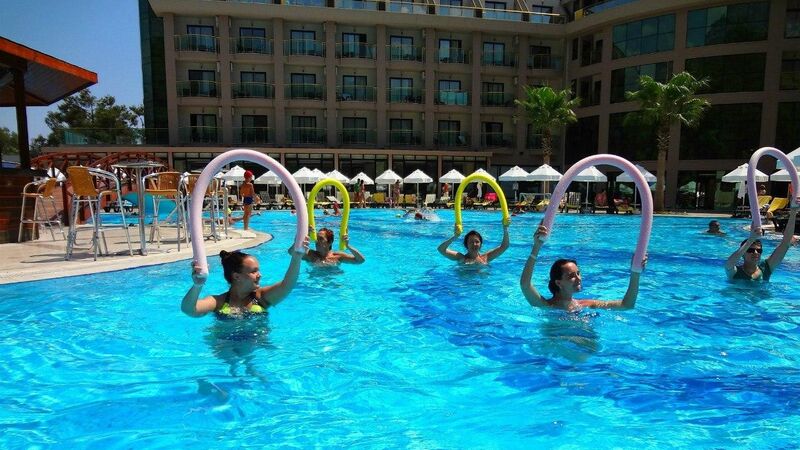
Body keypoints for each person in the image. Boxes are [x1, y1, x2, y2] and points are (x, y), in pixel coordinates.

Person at [520, 225, 646, 311]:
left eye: (578, 273)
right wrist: (536, 247)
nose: (579, 278)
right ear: (558, 282)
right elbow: (525, 285)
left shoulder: (586, 305)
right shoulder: (547, 306)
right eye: (571, 276)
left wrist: (635, 272)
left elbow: (627, 305)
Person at [182, 245, 305, 318]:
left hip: (258, 348)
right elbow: (189, 310)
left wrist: (296, 257)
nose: (260, 275)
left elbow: (287, 285)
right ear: (237, 276)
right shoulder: (218, 302)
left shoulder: (261, 297)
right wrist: (197, 285)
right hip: (225, 347)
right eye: (254, 271)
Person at [725, 206, 798, 281]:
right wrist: (751, 239)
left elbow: (786, 242)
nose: (756, 253)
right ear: (743, 254)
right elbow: (729, 262)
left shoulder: (766, 268)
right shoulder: (735, 272)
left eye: (759, 251)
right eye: (750, 250)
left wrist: (793, 211)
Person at [437, 224, 510, 264]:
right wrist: (455, 236)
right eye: (471, 242)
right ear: (466, 245)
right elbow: (441, 249)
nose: (474, 244)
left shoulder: (486, 258)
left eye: (477, 242)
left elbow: (504, 246)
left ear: (481, 244)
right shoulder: (461, 257)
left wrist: (505, 229)